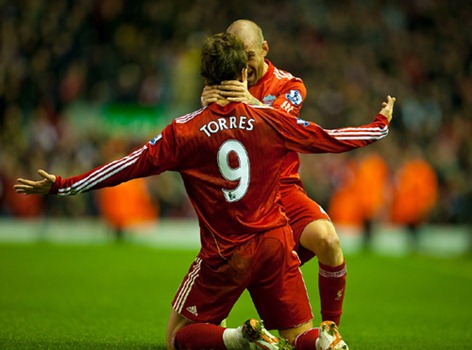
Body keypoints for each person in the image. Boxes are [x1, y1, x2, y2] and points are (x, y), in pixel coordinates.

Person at [15, 32, 395, 350]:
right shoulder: (273, 120)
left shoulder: (183, 132)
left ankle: (241, 337)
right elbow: (331, 138)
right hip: (277, 244)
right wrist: (380, 123)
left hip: (226, 252)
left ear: (204, 77)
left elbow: (125, 166)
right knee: (297, 336)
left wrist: (63, 185)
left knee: (178, 336)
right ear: (246, 72)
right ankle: (323, 342)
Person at [202, 19, 346, 325]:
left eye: (249, 55)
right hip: (242, 200)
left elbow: (280, 127)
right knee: (207, 317)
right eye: (236, 55)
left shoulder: (289, 85)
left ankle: (330, 328)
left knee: (328, 240)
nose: (243, 64)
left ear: (264, 49)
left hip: (284, 190)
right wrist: (205, 110)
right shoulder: (220, 82)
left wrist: (248, 102)